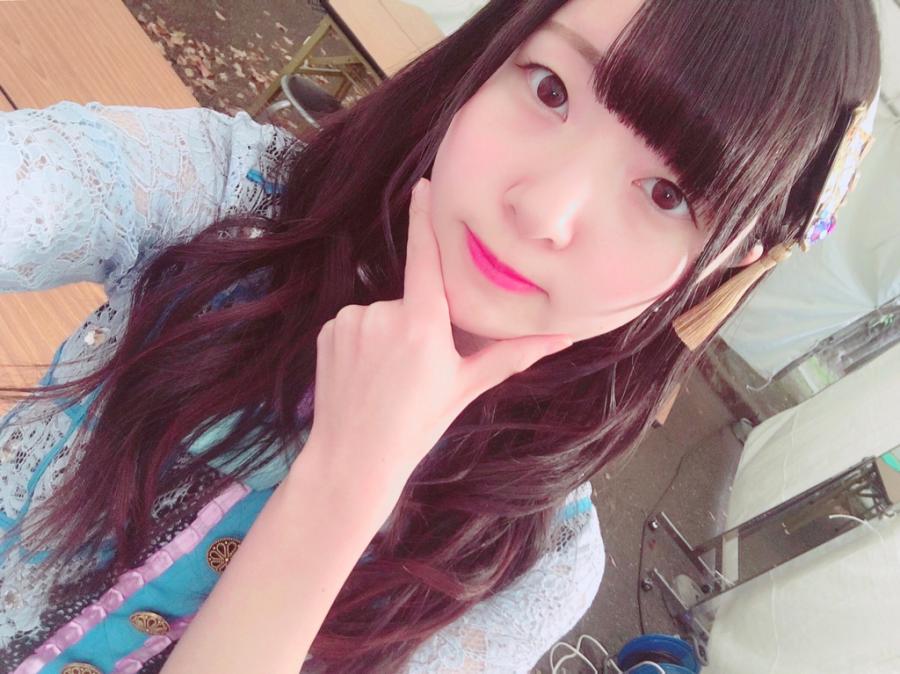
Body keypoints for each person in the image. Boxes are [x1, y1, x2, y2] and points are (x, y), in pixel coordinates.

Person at [0, 0, 881, 672]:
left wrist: (346, 483)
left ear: (726, 264)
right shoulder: (229, 205)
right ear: (492, 53)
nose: (544, 211)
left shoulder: (536, 569)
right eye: (550, 89)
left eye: (667, 194)